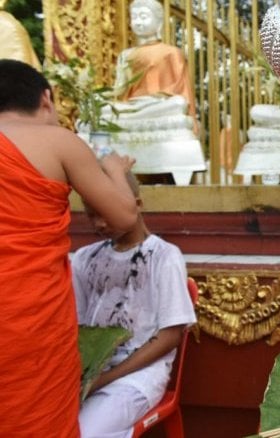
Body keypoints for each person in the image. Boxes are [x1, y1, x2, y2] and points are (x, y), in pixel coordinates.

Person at [0, 59, 138, 437]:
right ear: (46, 99)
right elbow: (124, 217)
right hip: (27, 323)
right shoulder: (58, 141)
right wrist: (112, 168)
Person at [72, 171, 196, 437]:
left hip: (138, 378)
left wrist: (102, 380)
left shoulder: (163, 257)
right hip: (85, 377)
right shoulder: (83, 260)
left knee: (82, 433)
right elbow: (79, 329)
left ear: (137, 205)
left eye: (106, 212)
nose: (100, 223)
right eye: (91, 214)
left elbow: (170, 335)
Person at [109, 0, 196, 121]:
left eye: (144, 17)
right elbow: (119, 90)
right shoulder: (126, 55)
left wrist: (156, 99)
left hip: (159, 104)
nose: (138, 22)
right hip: (131, 104)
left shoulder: (172, 52)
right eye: (134, 17)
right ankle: (134, 115)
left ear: (159, 22)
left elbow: (181, 91)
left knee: (178, 103)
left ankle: (136, 116)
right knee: (106, 109)